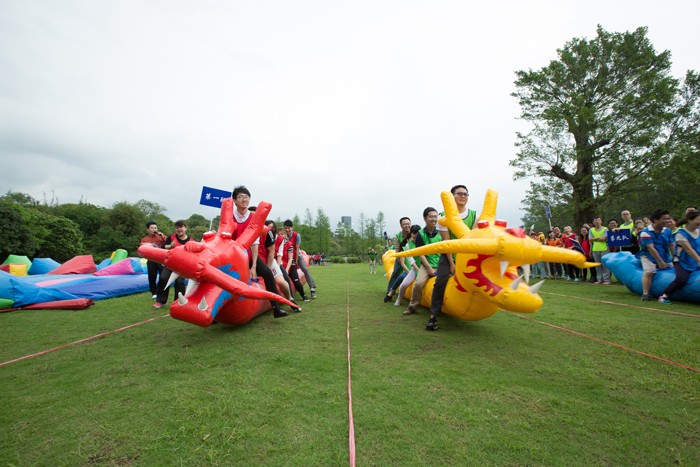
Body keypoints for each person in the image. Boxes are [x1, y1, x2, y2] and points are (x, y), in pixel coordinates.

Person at [231, 186, 288, 318]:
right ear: (234, 200)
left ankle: (276, 308)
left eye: (246, 197)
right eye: (240, 197)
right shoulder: (230, 216)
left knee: (267, 273)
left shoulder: (253, 217)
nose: (244, 199)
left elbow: (255, 242)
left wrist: (254, 266)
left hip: (249, 255)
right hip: (233, 256)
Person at [426, 185, 477, 331]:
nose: (463, 196)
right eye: (459, 194)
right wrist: (452, 264)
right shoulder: (443, 216)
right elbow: (446, 243)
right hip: (449, 255)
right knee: (440, 281)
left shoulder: (474, 215)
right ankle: (433, 316)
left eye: (465, 194)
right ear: (452, 196)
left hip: (467, 256)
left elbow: (474, 239)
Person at [404, 207, 440, 317]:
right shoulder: (420, 234)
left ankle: (440, 308)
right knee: (418, 284)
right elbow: (421, 253)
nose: (434, 219)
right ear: (425, 218)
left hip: (441, 263)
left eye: (436, 216)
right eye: (431, 217)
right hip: (426, 264)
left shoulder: (442, 231)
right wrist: (429, 269)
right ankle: (413, 307)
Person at [658, 210, 700, 304]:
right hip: (682, 262)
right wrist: (699, 260)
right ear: (689, 220)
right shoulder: (681, 234)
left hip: (695, 261)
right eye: (698, 220)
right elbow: (689, 249)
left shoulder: (699, 231)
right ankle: (664, 296)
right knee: (681, 278)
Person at [153, 220, 194, 309]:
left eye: (181, 227)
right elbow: (163, 247)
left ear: (185, 228)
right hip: (170, 264)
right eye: (177, 227)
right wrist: (170, 246)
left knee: (179, 282)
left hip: (182, 266)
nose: (179, 229)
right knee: (163, 278)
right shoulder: (171, 237)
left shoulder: (191, 240)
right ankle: (160, 301)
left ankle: (179, 301)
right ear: (175, 229)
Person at [261, 221, 300, 313]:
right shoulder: (259, 236)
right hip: (260, 260)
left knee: (282, 280)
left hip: (273, 260)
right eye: (268, 228)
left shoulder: (279, 239)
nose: (270, 230)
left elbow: (279, 255)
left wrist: (276, 268)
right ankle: (276, 306)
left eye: (272, 228)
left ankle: (290, 299)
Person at [638, 209, 675, 301]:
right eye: (664, 219)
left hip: (664, 254)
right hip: (648, 255)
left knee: (674, 269)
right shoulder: (645, 232)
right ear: (655, 220)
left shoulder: (667, 231)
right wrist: (660, 262)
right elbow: (651, 248)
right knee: (649, 271)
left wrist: (675, 258)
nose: (668, 221)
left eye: (668, 218)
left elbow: (671, 245)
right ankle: (645, 294)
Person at [283, 219, 317, 299]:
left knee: (304, 269)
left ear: (292, 228)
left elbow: (297, 248)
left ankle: (312, 288)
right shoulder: (283, 236)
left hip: (297, 255)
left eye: (289, 228)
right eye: (286, 228)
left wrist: (296, 260)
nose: (287, 230)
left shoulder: (296, 235)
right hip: (287, 257)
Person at [278, 224, 310, 303]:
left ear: (286, 235)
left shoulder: (289, 245)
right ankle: (290, 298)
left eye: (282, 234)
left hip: (290, 265)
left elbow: (290, 259)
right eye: (279, 234)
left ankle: (303, 295)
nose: (281, 236)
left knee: (296, 282)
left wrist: (286, 270)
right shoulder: (275, 245)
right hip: (280, 265)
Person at [384, 217, 412, 302]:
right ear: (401, 225)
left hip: (413, 257)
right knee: (396, 272)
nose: (406, 226)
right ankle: (390, 292)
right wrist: (402, 263)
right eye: (404, 224)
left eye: (408, 224)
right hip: (401, 257)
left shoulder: (414, 232)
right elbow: (397, 251)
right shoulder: (397, 236)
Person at [394, 225, 422, 307]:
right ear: (411, 233)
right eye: (414, 233)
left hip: (425, 267)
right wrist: (418, 270)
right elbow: (411, 260)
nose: (416, 235)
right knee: (404, 284)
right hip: (415, 269)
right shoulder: (408, 245)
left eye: (418, 233)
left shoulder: (423, 242)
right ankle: (399, 298)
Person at [139, 221, 167, 299]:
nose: (154, 229)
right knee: (152, 276)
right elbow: (142, 249)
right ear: (148, 230)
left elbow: (168, 243)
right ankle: (154, 292)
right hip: (151, 259)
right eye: (152, 228)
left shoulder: (161, 237)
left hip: (161, 259)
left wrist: (163, 236)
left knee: (163, 276)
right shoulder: (145, 239)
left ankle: (161, 290)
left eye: (155, 228)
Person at [589, 217, 611, 284]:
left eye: (598, 220)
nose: (597, 221)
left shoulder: (605, 229)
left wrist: (594, 238)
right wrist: (599, 238)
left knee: (605, 265)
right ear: (593, 222)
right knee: (598, 265)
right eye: (595, 220)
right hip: (595, 249)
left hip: (604, 248)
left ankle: (606, 279)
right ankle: (600, 279)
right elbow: (590, 239)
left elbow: (604, 238)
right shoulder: (591, 230)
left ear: (601, 221)